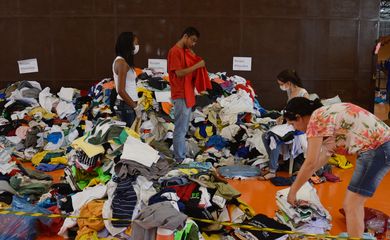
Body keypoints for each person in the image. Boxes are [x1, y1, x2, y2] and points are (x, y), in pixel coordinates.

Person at [283, 97, 390, 238]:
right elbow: (321, 157)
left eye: (292, 124)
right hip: (379, 147)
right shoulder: (325, 115)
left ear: (299, 117)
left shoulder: (316, 120)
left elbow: (310, 162)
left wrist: (293, 191)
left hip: (377, 149)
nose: (294, 128)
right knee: (352, 204)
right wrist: (304, 177)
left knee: (352, 205)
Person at [259, 69, 309, 180]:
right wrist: (283, 117)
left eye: (281, 84)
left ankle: (272, 170)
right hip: (289, 124)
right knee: (265, 135)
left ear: (289, 82)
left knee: (274, 137)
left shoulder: (303, 93)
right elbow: (289, 109)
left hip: (297, 127)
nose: (280, 86)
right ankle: (275, 162)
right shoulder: (289, 92)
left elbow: (305, 115)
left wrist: (291, 120)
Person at [167, 27, 206, 162]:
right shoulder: (175, 51)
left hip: (186, 93)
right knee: (180, 128)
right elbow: (179, 73)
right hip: (181, 94)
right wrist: (197, 65)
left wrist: (193, 57)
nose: (193, 44)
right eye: (193, 40)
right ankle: (179, 158)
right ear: (185, 36)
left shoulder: (184, 51)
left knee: (183, 128)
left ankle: (180, 156)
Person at [113, 32, 140, 127]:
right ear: (128, 45)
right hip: (126, 107)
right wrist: (135, 107)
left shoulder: (124, 62)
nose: (137, 46)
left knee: (130, 137)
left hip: (128, 106)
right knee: (129, 139)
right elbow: (120, 90)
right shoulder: (121, 63)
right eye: (135, 44)